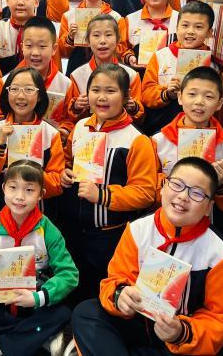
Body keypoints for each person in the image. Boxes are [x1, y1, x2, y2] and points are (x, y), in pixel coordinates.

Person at [71, 157, 223, 355]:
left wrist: (181, 332)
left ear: (208, 207)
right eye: (177, 185)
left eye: (197, 193)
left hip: (180, 344)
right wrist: (121, 296)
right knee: (86, 313)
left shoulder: (220, 253)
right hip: (139, 325)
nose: (183, 196)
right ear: (163, 188)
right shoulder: (138, 230)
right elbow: (115, 278)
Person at [0, 160, 78, 356]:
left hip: (33, 296)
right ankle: (37, 337)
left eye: (29, 190)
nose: (20, 196)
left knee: (63, 314)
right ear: (4, 188)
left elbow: (69, 274)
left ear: (41, 194)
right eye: (13, 188)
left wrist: (38, 298)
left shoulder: (48, 230)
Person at [60, 64, 157, 303]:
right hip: (74, 230)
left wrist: (102, 195)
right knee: (73, 289)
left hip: (111, 235)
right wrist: (64, 173)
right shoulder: (80, 127)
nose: (101, 97)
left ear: (125, 96)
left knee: (101, 294)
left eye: (110, 91)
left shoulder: (137, 140)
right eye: (95, 90)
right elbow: (67, 161)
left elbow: (145, 193)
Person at [153, 67, 223, 223]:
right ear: (180, 97)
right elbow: (148, 190)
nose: (199, 102)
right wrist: (173, 184)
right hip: (164, 221)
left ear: (219, 103)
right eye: (192, 94)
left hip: (207, 224)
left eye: (209, 96)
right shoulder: (159, 141)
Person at [0, 67, 65, 210]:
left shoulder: (51, 134)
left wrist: (27, 174)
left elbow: (57, 184)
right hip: (0, 211)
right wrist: (0, 144)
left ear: (40, 96)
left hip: (39, 212)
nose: (20, 96)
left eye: (29, 90)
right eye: (14, 89)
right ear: (6, 93)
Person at [0, 16, 73, 140]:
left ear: (54, 49)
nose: (35, 53)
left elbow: (69, 119)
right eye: (29, 45)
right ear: (22, 47)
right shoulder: (6, 82)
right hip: (15, 142)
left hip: (50, 144)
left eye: (42, 46)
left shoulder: (65, 84)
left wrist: (64, 130)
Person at [141, 0, 214, 136]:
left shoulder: (212, 65)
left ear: (209, 32)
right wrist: (167, 93)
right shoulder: (161, 56)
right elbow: (146, 94)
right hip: (161, 127)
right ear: (176, 27)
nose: (190, 32)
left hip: (197, 131)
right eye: (185, 25)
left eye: (198, 27)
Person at [65, 14, 143, 126]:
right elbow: (70, 117)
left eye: (108, 35)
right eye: (96, 35)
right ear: (87, 40)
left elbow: (139, 116)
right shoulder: (77, 76)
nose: (102, 41)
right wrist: (77, 107)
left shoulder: (131, 75)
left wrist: (133, 107)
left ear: (118, 39)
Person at [58, 0, 127, 75]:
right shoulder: (68, 16)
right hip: (76, 71)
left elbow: (122, 50)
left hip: (107, 72)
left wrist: (107, 43)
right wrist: (70, 38)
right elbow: (62, 53)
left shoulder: (116, 18)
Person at [121, 0, 180, 70]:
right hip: (139, 75)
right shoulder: (130, 20)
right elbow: (122, 49)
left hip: (171, 77)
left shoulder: (180, 20)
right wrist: (129, 57)